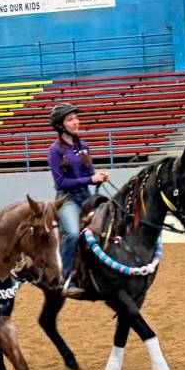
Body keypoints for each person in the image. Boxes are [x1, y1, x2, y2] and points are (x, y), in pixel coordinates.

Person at [47, 103, 109, 297]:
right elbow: (60, 183)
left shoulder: (84, 146)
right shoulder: (55, 151)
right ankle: (66, 278)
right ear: (60, 125)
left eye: (76, 118)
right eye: (70, 119)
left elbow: (89, 172)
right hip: (67, 200)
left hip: (86, 197)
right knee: (73, 233)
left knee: (108, 225)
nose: (76, 122)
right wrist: (90, 179)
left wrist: (98, 175)